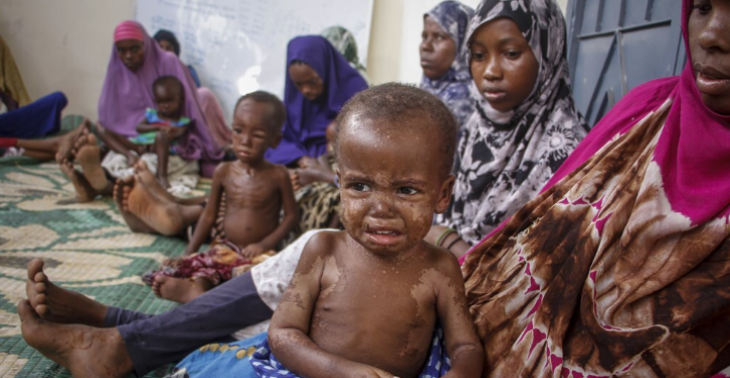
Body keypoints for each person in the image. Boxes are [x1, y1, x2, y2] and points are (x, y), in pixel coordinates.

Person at [459, 0, 730, 376]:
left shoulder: (561, 139)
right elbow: (520, 244)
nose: (712, 35)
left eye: (510, 52)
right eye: (702, 7)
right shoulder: (645, 112)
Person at [255, 83, 483, 378]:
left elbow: (466, 346)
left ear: (442, 194)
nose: (380, 208)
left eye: (406, 190)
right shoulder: (324, 250)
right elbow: (283, 334)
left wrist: (461, 372)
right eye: (359, 186)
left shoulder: (440, 269)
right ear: (339, 183)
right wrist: (344, 372)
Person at [434, 0, 588, 251]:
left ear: (547, 52)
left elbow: (546, 268)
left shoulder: (570, 151)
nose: (491, 72)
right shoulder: (476, 127)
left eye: (511, 53)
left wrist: (447, 243)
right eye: (479, 55)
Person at [141, 91, 298, 304]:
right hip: (226, 248)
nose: (245, 141)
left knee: (260, 280)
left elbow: (291, 216)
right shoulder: (223, 171)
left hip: (259, 253)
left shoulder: (278, 174)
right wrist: (189, 253)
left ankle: (213, 297)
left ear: (275, 140)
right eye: (238, 130)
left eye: (258, 135)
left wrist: (264, 243)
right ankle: (194, 290)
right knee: (204, 268)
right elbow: (208, 216)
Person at [59, 20, 223, 202]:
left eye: (135, 49)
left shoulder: (168, 62)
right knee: (102, 131)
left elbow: (189, 109)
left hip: (169, 142)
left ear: (146, 44)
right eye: (122, 51)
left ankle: (99, 185)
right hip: (134, 142)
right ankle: (99, 178)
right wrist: (132, 147)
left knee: (146, 167)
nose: (128, 56)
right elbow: (111, 119)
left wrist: (175, 131)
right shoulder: (117, 70)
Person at [264, 35, 368, 166]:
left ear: (326, 69)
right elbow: (279, 139)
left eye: (312, 81)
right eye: (298, 84)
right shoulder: (294, 98)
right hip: (301, 160)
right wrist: (301, 159)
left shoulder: (355, 90)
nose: (305, 90)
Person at [153, 29, 232, 154]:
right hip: (160, 116)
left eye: (168, 48)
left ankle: (220, 145)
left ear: (175, 52)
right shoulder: (148, 73)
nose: (164, 52)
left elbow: (193, 100)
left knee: (204, 95)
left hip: (185, 113)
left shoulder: (186, 71)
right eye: (160, 47)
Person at [419, 1, 475, 131]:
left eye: (438, 37)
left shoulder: (468, 99)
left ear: (464, 43)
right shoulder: (428, 87)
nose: (426, 46)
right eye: (424, 36)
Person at [134, 76, 194, 188]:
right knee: (105, 131)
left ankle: (161, 175)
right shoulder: (152, 114)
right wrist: (158, 127)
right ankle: (126, 156)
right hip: (143, 145)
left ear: (180, 99)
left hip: (162, 147)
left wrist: (170, 132)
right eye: (161, 102)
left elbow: (179, 134)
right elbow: (139, 127)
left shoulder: (182, 121)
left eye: (170, 101)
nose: (165, 106)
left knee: (161, 137)